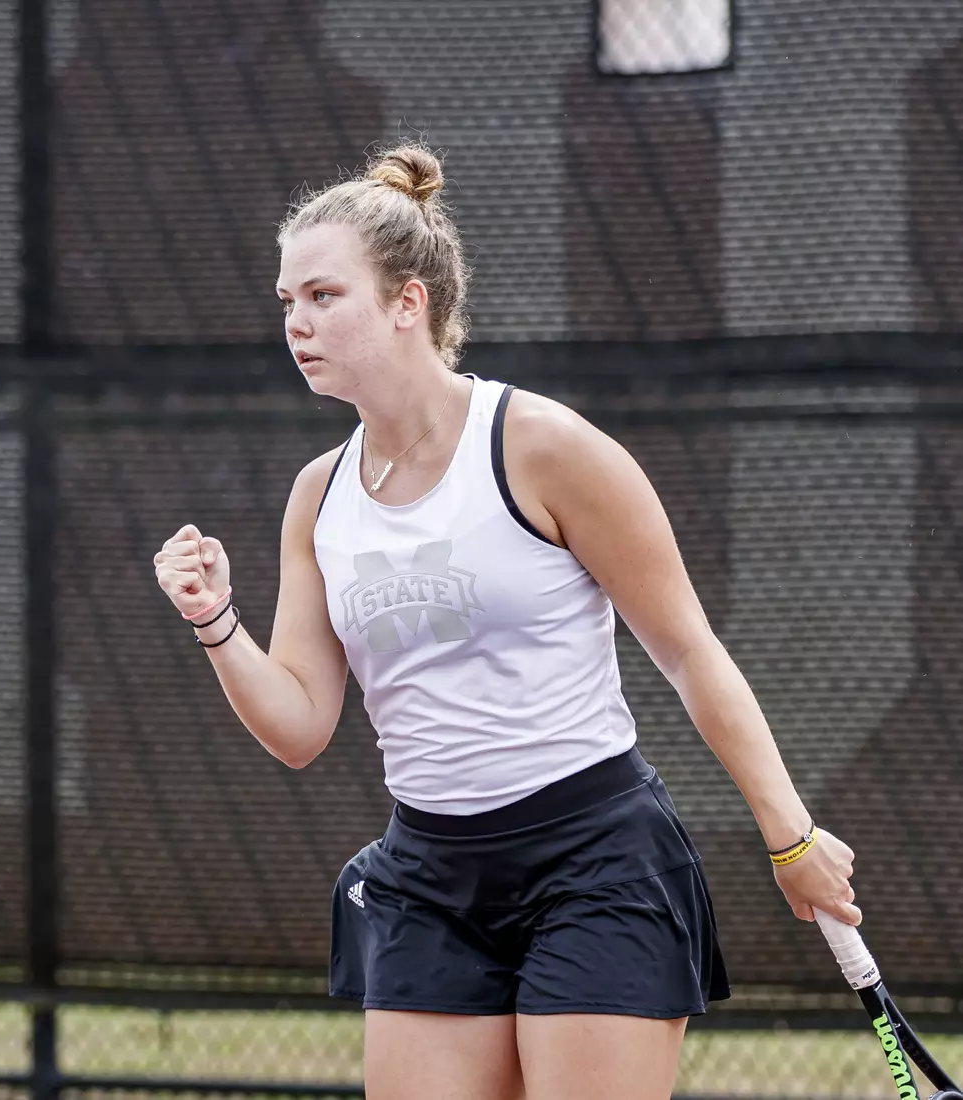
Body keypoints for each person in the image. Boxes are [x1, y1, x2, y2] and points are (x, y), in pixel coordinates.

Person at [150, 143, 860, 1100]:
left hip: (596, 865)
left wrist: (792, 837)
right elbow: (301, 726)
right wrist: (216, 621)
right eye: (286, 302)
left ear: (410, 302)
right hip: (430, 878)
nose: (296, 323)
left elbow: (690, 653)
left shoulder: (543, 448)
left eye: (323, 296)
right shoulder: (317, 497)